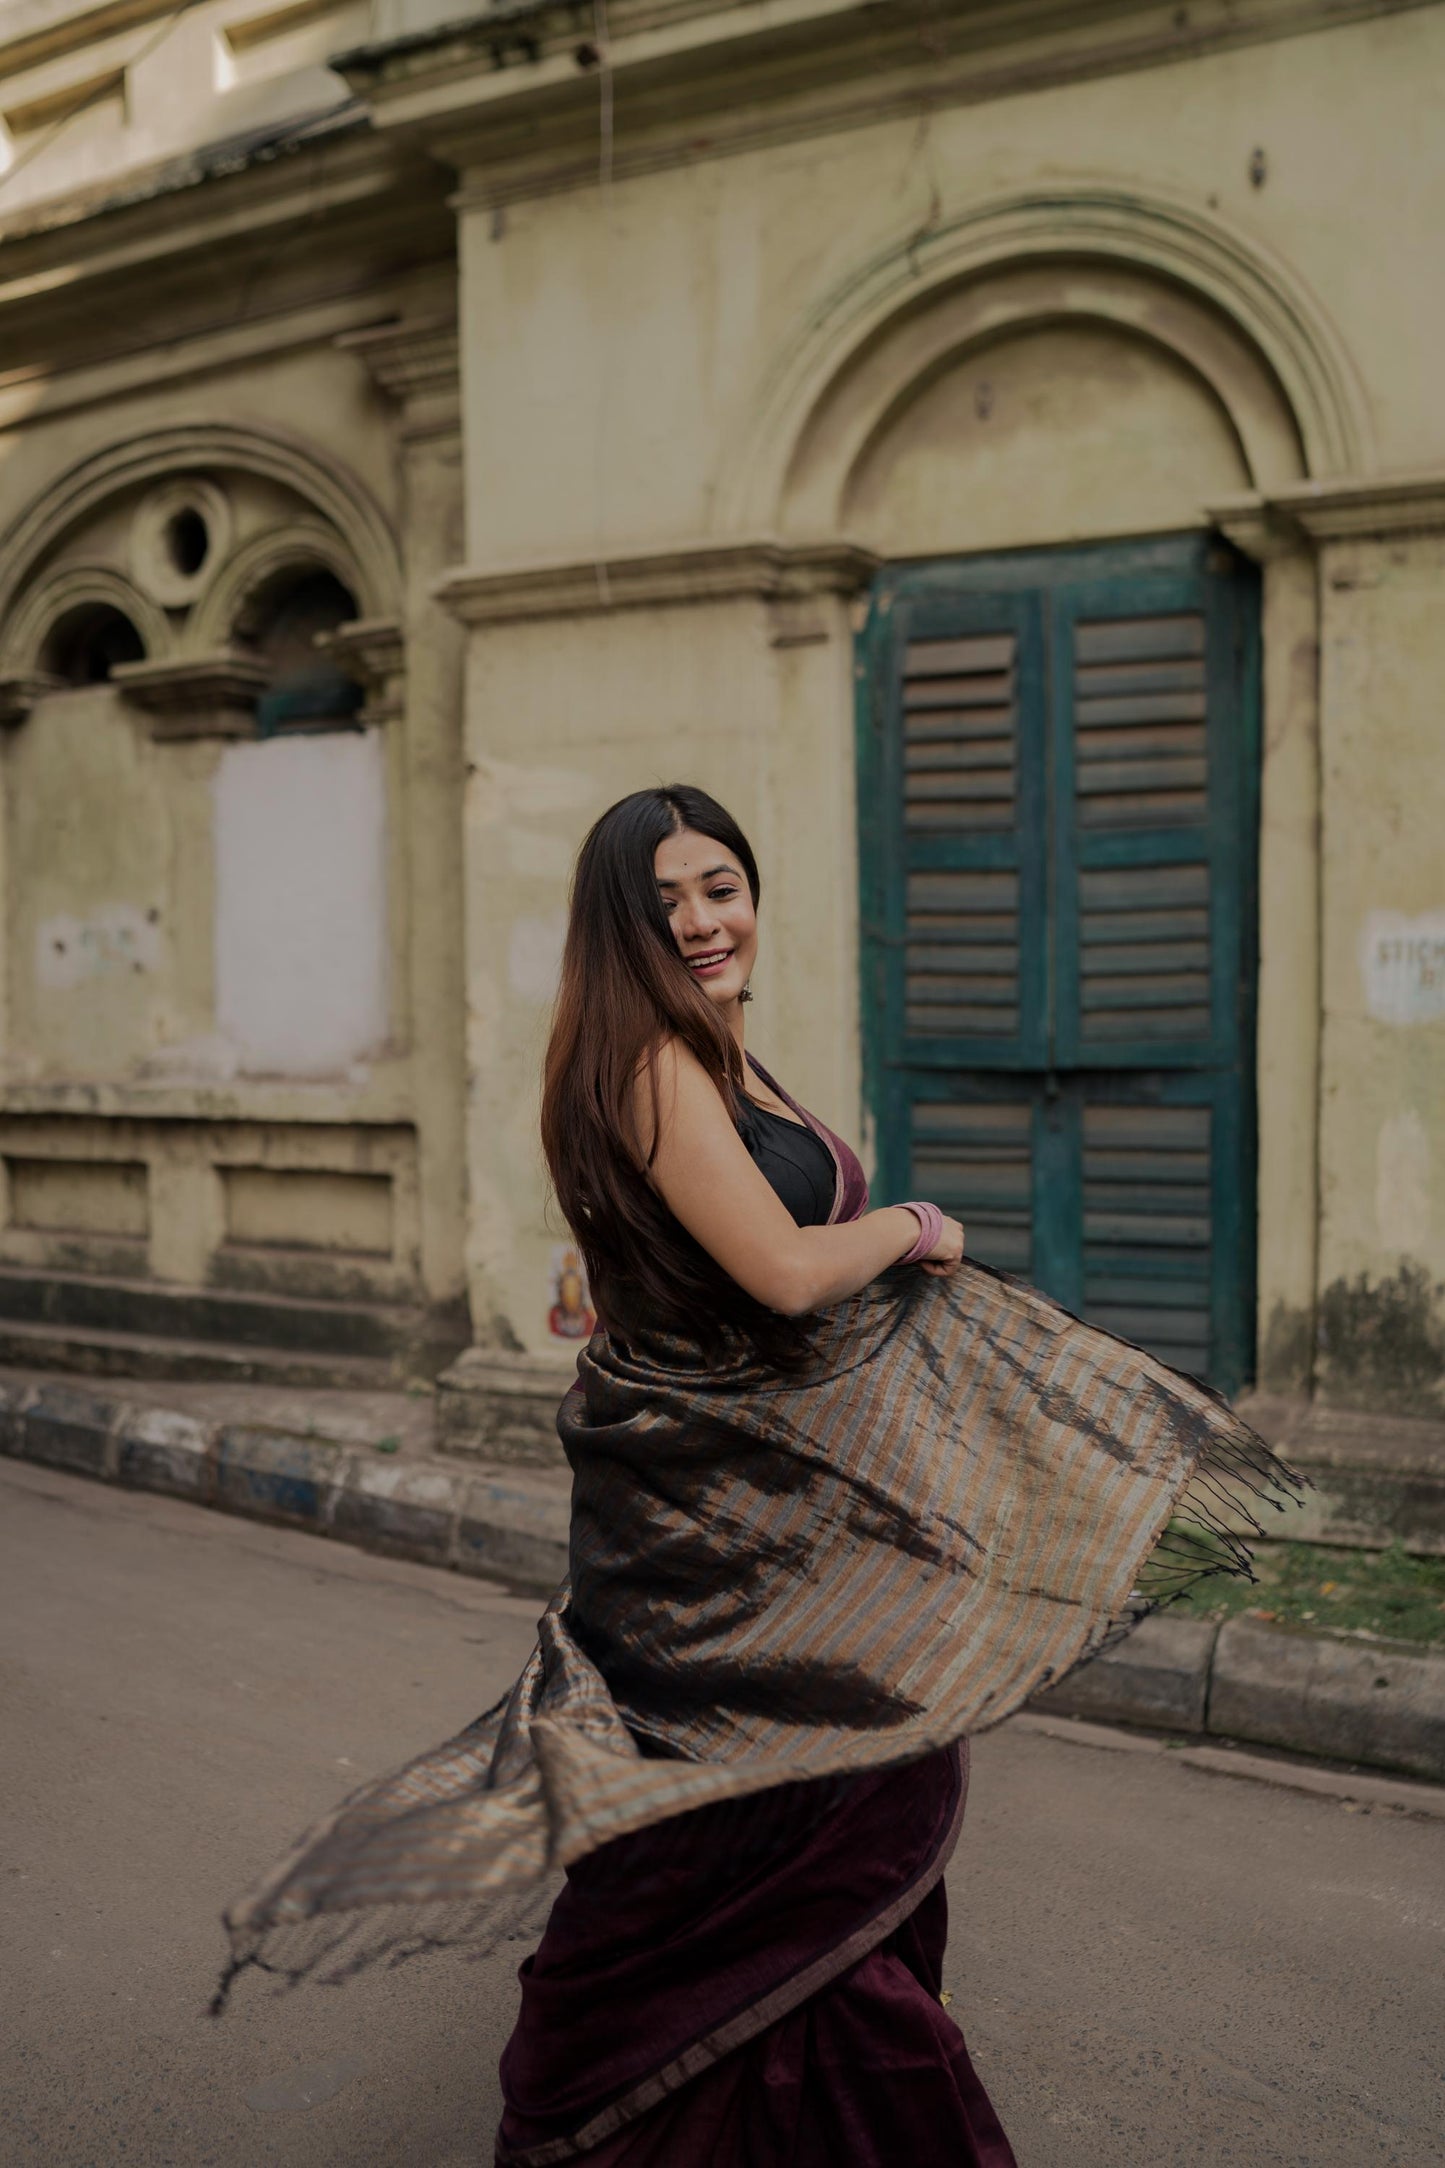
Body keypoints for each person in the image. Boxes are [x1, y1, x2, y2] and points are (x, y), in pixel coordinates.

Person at [218, 786, 1299, 2168]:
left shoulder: (713, 1051)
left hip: (778, 1512)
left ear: (752, 889)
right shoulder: (651, 1067)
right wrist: (913, 1225)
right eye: (664, 902)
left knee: (797, 1810)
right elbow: (783, 1276)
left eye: (718, 885)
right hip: (725, 1549)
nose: (700, 919)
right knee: (775, 1819)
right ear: (620, 927)